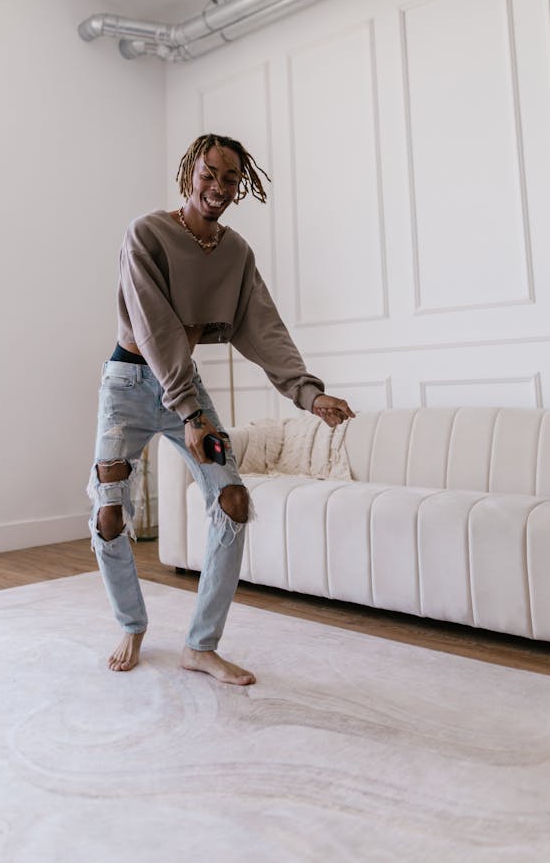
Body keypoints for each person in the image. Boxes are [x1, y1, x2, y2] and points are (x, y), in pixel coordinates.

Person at [87, 133, 354, 685]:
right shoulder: (147, 234)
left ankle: (200, 646)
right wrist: (190, 414)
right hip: (128, 388)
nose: (218, 186)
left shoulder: (234, 253)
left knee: (232, 499)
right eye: (209, 174)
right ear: (189, 173)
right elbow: (156, 329)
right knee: (110, 513)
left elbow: (263, 325)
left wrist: (308, 392)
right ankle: (131, 625)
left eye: (230, 178)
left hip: (183, 393)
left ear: (241, 186)